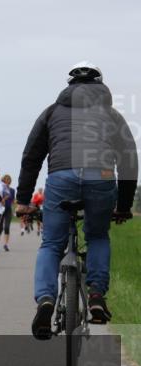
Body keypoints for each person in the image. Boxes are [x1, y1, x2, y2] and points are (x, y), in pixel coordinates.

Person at [16, 61, 137, 340]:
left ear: (69, 85)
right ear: (101, 85)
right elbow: (129, 160)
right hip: (101, 176)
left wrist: (23, 200)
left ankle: (46, 300)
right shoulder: (112, 115)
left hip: (62, 178)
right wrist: (123, 206)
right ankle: (96, 296)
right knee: (97, 236)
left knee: (51, 243)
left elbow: (31, 157)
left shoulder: (52, 112)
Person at [0, 174, 16, 251]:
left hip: (8, 210)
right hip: (0, 210)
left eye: (8, 180)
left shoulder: (12, 190)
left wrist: (17, 205)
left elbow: (13, 200)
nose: (7, 181)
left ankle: (6, 244)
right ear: (3, 181)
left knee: (7, 227)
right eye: (5, 180)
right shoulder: (0, 190)